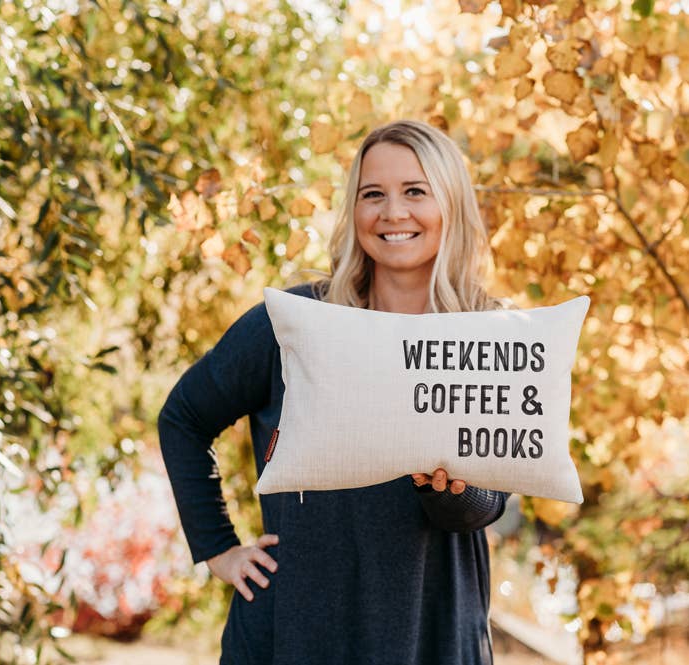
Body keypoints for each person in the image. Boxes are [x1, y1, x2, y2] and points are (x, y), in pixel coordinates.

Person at [158, 120, 508, 664]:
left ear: (451, 204)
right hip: (294, 630)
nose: (393, 213)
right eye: (374, 195)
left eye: (416, 191)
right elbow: (183, 417)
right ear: (355, 210)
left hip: (432, 631)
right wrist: (219, 548)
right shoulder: (295, 324)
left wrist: (448, 489)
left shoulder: (487, 332)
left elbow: (486, 506)